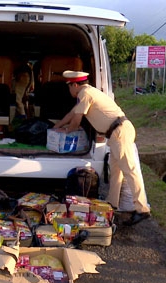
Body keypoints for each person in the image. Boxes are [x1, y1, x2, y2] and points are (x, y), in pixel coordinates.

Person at [53, 70, 151, 225]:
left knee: (129, 170)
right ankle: (112, 203)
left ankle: (142, 209)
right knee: (116, 170)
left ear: (75, 85)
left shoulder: (85, 93)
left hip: (119, 131)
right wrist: (55, 128)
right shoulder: (87, 93)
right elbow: (72, 114)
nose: (69, 91)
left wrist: (65, 132)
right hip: (116, 133)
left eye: (69, 87)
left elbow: (76, 120)